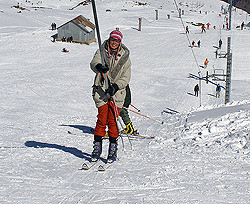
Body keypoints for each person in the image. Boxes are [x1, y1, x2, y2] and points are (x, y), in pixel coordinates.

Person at [90, 29, 131, 163]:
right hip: (101, 92)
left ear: (120, 42)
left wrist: (116, 86)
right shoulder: (101, 52)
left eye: (117, 41)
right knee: (101, 120)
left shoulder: (125, 57)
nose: (114, 43)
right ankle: (97, 149)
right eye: (112, 40)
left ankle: (112, 149)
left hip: (117, 94)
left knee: (112, 121)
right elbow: (93, 63)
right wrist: (99, 67)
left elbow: (126, 78)